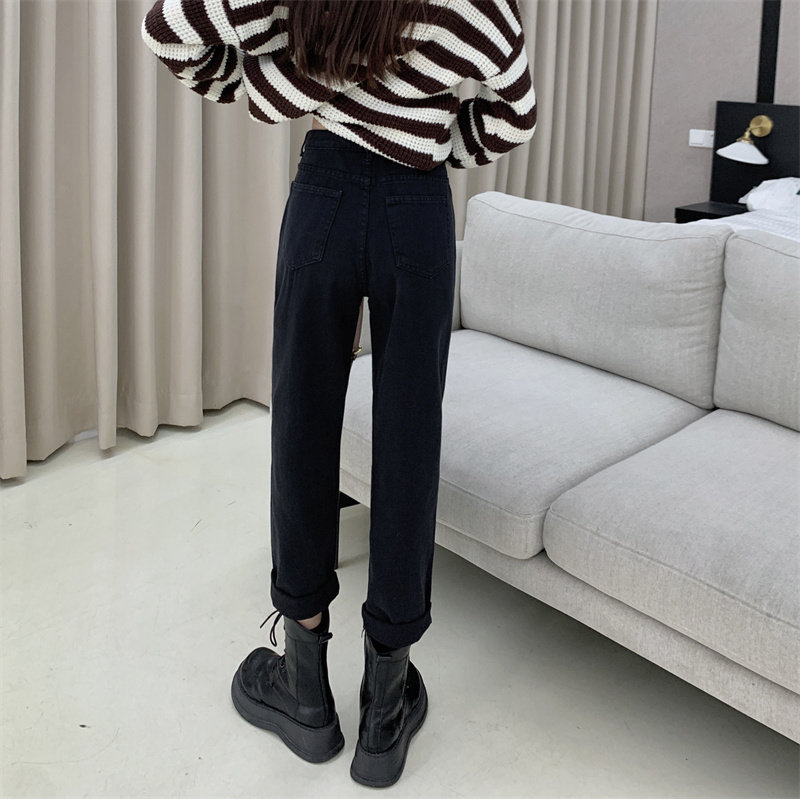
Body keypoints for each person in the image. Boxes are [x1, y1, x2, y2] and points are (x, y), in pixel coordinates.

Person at [141, 0, 536, 787]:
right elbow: (513, 115)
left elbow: (172, 33)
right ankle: (385, 709)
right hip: (417, 206)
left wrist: (287, 83)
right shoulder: (479, 7)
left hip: (323, 193)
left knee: (303, 428)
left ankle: (305, 690)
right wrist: (429, 132)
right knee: (409, 439)